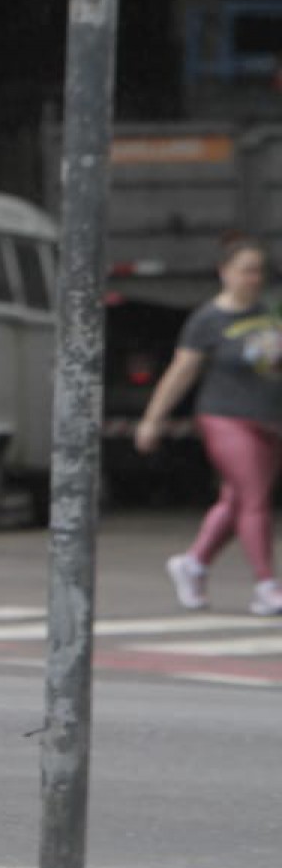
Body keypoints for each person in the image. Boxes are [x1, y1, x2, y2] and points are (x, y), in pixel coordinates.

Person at [137, 237, 282, 617]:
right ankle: (266, 584)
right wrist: (153, 419)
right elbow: (182, 371)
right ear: (225, 273)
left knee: (236, 501)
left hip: (268, 420)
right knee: (254, 499)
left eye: (259, 271)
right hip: (225, 417)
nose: (254, 278)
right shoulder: (208, 320)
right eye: (246, 270)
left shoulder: (270, 314)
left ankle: (193, 564)